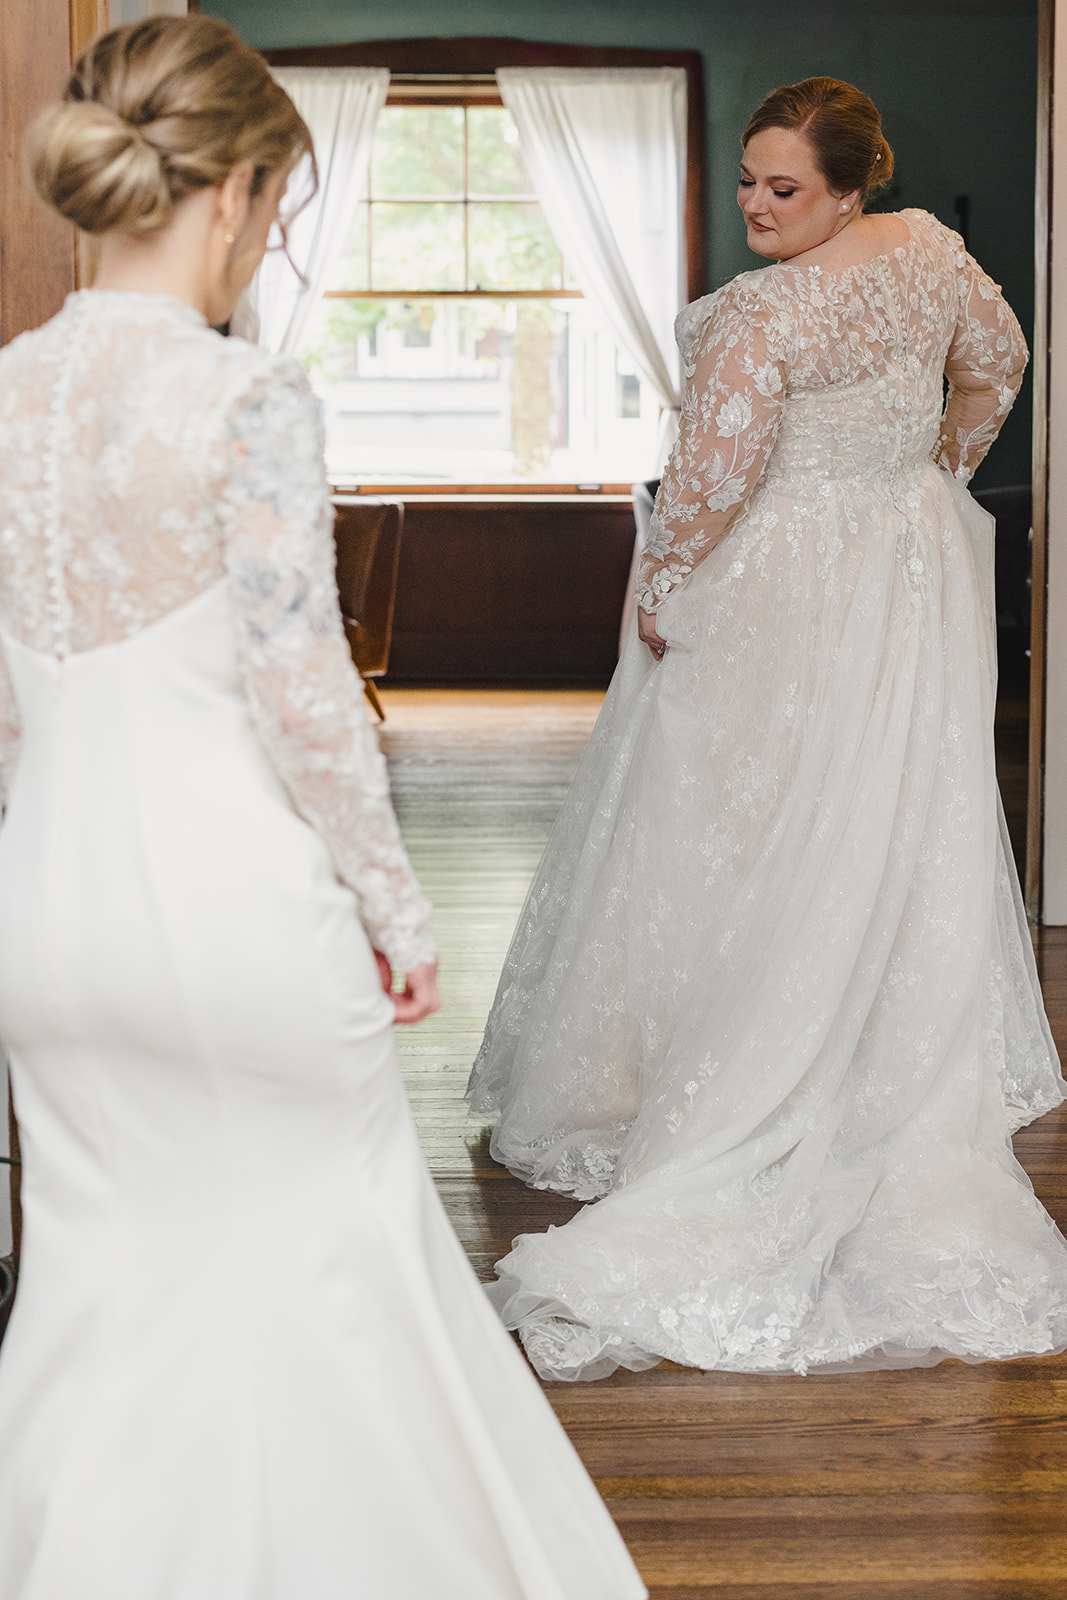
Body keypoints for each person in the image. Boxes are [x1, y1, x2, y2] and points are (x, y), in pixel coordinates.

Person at [0, 18, 647, 1598]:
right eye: (279, 214)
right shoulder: (244, 403)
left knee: (103, 1289)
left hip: (51, 916)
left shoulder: (6, 395)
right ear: (227, 199)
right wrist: (399, 915)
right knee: (336, 1273)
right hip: (227, 907)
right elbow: (308, 703)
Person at [469, 77, 1067, 1382]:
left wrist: (666, 579)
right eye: (747, 181)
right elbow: (1000, 361)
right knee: (889, 809)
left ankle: (727, 1071)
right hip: (910, 570)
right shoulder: (932, 254)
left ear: (852, 185)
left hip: (784, 577)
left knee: (731, 819)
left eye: (783, 188)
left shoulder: (764, 310)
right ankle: (864, 1056)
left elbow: (710, 479)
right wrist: (939, 472)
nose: (754, 205)